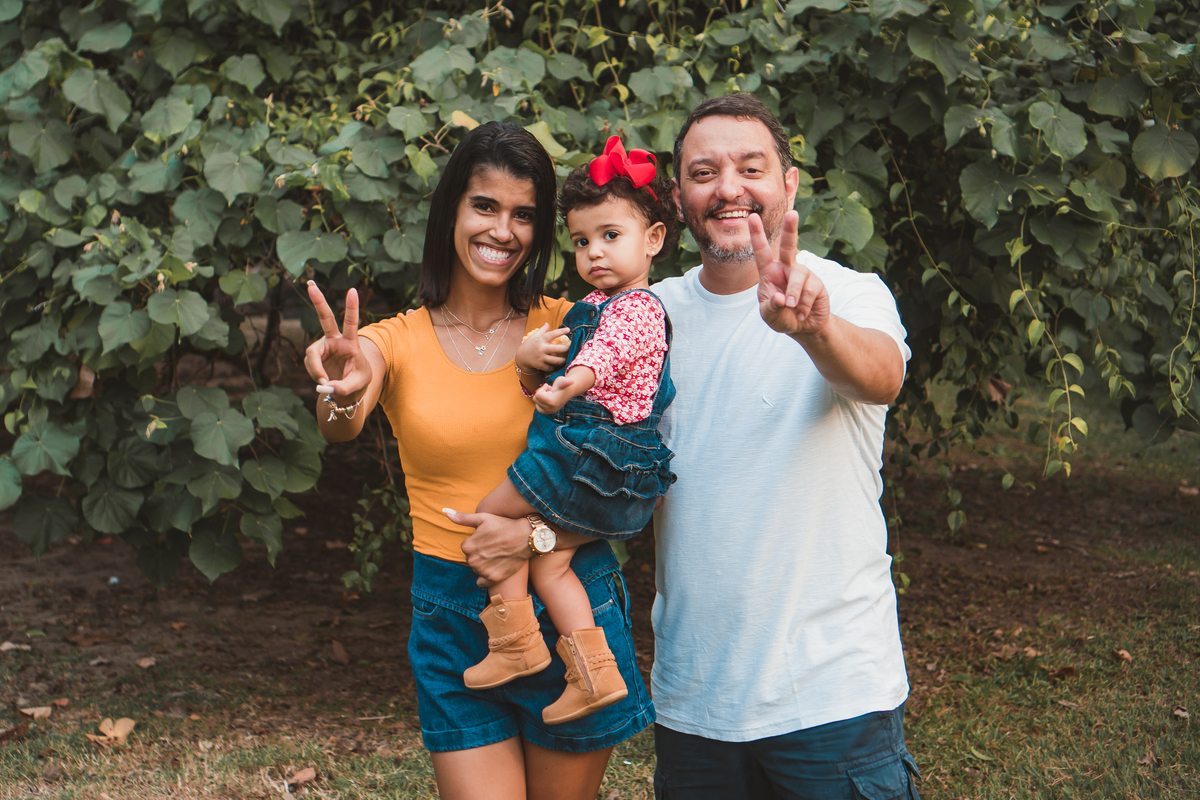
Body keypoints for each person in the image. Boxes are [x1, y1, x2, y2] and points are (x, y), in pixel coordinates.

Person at [302, 121, 653, 800]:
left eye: (524, 214)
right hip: (451, 613)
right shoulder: (392, 341)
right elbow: (343, 422)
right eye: (485, 206)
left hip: (566, 599)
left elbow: (632, 479)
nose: (503, 230)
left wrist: (538, 536)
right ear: (452, 212)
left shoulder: (577, 328)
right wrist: (340, 391)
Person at [649, 93, 921, 798]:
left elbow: (882, 377)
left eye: (751, 167)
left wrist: (812, 330)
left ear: (789, 182)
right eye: (704, 172)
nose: (728, 188)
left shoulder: (845, 294)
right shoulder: (651, 316)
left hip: (832, 696)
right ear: (679, 198)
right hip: (693, 701)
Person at [462, 135, 678, 726]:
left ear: (653, 239)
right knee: (551, 564)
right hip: (600, 456)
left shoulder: (636, 309)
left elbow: (604, 358)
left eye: (611, 236)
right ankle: (595, 674)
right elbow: (558, 388)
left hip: (592, 455)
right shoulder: (592, 305)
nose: (594, 253)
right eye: (582, 241)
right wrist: (535, 373)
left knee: (495, 510)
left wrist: (567, 382)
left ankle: (517, 646)